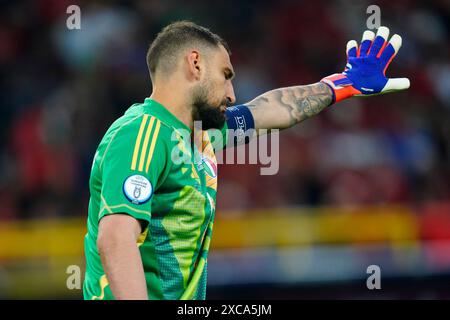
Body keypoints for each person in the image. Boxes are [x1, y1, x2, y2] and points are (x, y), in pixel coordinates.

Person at [83, 21, 409, 300]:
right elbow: (115, 238)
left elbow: (268, 109)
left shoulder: (201, 133)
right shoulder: (143, 133)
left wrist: (341, 85)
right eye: (226, 75)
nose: (231, 94)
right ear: (195, 64)